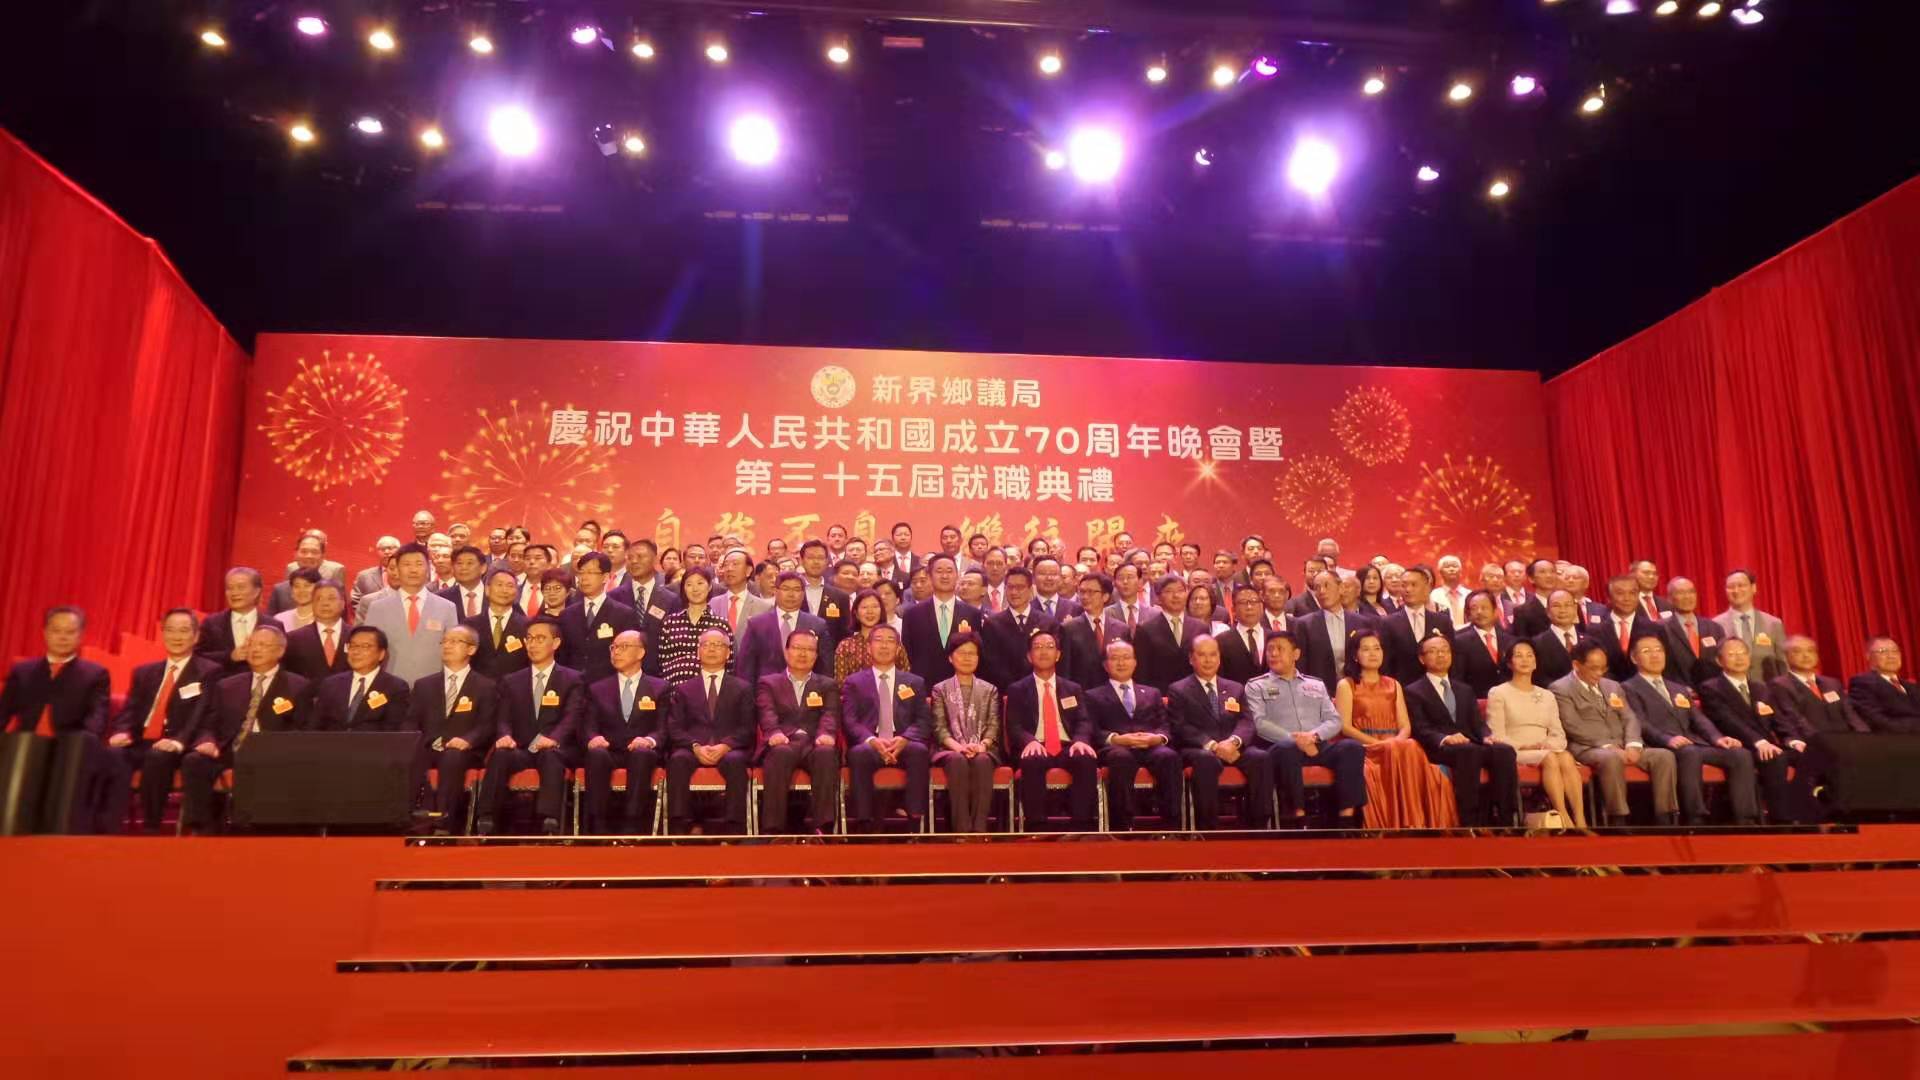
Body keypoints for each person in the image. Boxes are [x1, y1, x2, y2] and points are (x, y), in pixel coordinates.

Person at [182, 625, 311, 834]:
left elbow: (301, 730)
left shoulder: (298, 686)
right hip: (230, 751)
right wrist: (208, 741)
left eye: (263, 645)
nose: (255, 649)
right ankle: (201, 827)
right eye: (251, 644)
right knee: (194, 761)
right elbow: (209, 723)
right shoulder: (227, 685)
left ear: (280, 651)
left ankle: (252, 826)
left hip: (270, 753)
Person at [1621, 635, 1760, 825]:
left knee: (1740, 754)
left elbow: (1698, 719)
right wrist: (1666, 739)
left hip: (1694, 742)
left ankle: (1746, 818)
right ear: (1634, 658)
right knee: (1690, 753)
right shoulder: (1628, 687)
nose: (1655, 655)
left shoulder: (1678, 688)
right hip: (1661, 745)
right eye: (1647, 651)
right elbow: (1639, 722)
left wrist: (1718, 738)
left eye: (1659, 650)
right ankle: (1695, 817)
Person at [1, 606, 117, 833]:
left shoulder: (95, 673)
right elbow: (3, 712)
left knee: (79, 749)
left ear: (81, 635)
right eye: (57, 631)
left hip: (69, 746)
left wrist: (85, 740)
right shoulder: (23, 670)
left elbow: (98, 716)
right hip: (24, 745)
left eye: (70, 632)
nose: (63, 637)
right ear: (45, 633)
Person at [107, 609, 221, 832]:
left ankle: (151, 826)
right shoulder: (144, 672)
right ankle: (108, 825)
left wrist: (178, 742)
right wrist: (122, 731)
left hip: (178, 743)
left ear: (196, 636)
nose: (176, 636)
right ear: (163, 634)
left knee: (158, 755)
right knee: (113, 754)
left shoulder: (209, 671)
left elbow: (201, 713)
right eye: (170, 630)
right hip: (142, 740)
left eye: (184, 631)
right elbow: (130, 710)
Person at [1335, 632, 1457, 828]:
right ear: (1355, 655)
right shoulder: (1346, 685)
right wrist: (1380, 744)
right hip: (1366, 748)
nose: (1373, 653)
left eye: (1377, 648)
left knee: (1411, 746)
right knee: (1400, 750)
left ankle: (1416, 823)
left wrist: (1396, 741)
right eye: (1366, 649)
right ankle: (1400, 823)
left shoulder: (1393, 684)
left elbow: (1405, 725)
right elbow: (1345, 727)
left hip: (1397, 745)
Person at [476, 616, 583, 836]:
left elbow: (572, 716)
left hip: (557, 748)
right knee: (501, 754)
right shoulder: (511, 680)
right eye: (529, 639)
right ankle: (486, 818)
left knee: (550, 756)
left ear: (556, 643)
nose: (533, 644)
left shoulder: (572, 679)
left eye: (540, 638)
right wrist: (505, 735)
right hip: (522, 748)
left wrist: (554, 738)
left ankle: (549, 819)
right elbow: (503, 718)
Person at [1552, 640, 1677, 825]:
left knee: (1664, 756)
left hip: (1623, 745)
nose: (1599, 673)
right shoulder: (1561, 688)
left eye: (1603, 668)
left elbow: (1629, 717)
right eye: (1593, 668)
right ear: (1576, 665)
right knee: (1611, 758)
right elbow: (1571, 724)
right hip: (1588, 747)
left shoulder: (1612, 686)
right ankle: (1618, 817)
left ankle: (1664, 816)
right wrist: (1607, 746)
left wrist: (1633, 744)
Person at [1405, 635, 1519, 826]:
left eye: (1445, 650)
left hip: (1469, 744)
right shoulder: (1413, 691)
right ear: (1422, 658)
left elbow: (1477, 724)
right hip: (1439, 747)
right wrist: (1445, 738)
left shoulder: (1464, 689)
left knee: (1504, 751)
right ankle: (1469, 821)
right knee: (1469, 752)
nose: (1441, 655)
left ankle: (1506, 819)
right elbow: (1419, 727)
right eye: (1433, 651)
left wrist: (1486, 736)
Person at [1697, 637, 1806, 823]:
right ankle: (1781, 819)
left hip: (1768, 745)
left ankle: (1809, 815)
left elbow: (1778, 720)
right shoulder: (1711, 688)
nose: (1739, 658)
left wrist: (1792, 740)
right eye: (1732, 654)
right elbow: (1728, 721)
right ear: (1719, 661)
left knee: (1808, 754)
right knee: (1775, 758)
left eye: (1742, 653)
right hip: (1741, 746)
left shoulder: (1760, 688)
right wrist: (1759, 742)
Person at [1002, 629, 1098, 831]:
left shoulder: (1073, 688)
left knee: (1085, 758)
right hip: (1036, 745)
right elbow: (1014, 726)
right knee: (1032, 760)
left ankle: (1081, 826)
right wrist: (1030, 741)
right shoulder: (1017, 689)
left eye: (1049, 647)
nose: (1044, 651)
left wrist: (1080, 740)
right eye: (1037, 647)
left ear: (1058, 655)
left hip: (1066, 746)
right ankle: (1037, 827)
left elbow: (1084, 721)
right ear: (1029, 656)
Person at [1486, 640, 1588, 830]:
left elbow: (1558, 733)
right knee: (1550, 757)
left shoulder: (1547, 695)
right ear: (1509, 663)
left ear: (1535, 662)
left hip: (1545, 749)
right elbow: (1497, 735)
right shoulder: (1498, 693)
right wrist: (1526, 746)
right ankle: (1563, 817)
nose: (1525, 659)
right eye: (1518, 655)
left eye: (1529, 655)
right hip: (1516, 750)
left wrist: (1548, 744)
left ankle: (1581, 820)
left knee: (1566, 757)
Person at [575, 629, 669, 834]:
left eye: (624, 647)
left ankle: (632, 825)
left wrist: (649, 740)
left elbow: (662, 728)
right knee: (596, 754)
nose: (616, 652)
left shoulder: (660, 688)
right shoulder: (597, 689)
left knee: (643, 754)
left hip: (641, 750)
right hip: (609, 749)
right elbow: (588, 725)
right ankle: (598, 825)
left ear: (641, 652)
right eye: (614, 647)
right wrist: (593, 738)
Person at [839, 625, 931, 832]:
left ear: (898, 649)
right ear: (868, 647)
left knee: (919, 751)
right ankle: (864, 823)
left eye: (890, 641)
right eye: (879, 640)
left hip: (903, 742)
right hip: (870, 742)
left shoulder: (914, 682)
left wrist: (905, 738)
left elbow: (924, 720)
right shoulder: (854, 682)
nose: (884, 645)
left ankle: (915, 822)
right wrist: (872, 740)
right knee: (859, 754)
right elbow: (849, 720)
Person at [408, 625, 499, 834]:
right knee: (411, 754)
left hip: (465, 750)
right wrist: (419, 741)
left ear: (471, 649)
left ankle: (444, 823)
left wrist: (468, 740)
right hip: (429, 747)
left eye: (455, 641)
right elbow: (410, 722)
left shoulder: (486, 686)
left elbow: (487, 724)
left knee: (452, 756)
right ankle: (411, 819)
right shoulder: (424, 685)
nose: (447, 646)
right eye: (445, 641)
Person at [1081, 641, 1181, 830]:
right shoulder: (1092, 695)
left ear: (1135, 662)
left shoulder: (1152, 693)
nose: (1121, 663)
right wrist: (1116, 739)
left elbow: (1165, 725)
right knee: (1121, 758)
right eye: (1115, 658)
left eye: (1126, 658)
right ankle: (1122, 825)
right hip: (1115, 747)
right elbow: (1091, 728)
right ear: (1105, 665)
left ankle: (1171, 826)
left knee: (1169, 757)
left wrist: (1158, 738)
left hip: (1150, 745)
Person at [751, 629, 841, 835]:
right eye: (798, 648)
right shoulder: (769, 682)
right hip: (784, 741)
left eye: (809, 649)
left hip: (814, 742)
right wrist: (773, 732)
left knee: (826, 754)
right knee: (780, 753)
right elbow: (766, 712)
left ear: (816, 655)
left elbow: (830, 713)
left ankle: (823, 828)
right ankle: (773, 830)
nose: (803, 654)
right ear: (786, 652)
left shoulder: (827, 684)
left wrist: (826, 733)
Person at [930, 633, 1001, 833]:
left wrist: (982, 745)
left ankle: (979, 828)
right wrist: (959, 747)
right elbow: (939, 728)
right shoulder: (940, 689)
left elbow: (993, 724)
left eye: (972, 653)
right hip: (949, 749)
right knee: (957, 760)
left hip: (983, 748)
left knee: (983, 760)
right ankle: (961, 829)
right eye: (961, 653)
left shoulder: (990, 690)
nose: (967, 658)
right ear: (950, 658)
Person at [363, 543, 459, 684]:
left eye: (419, 564)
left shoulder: (447, 607)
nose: (413, 570)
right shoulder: (377, 608)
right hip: (388, 686)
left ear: (428, 568)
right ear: (397, 569)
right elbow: (369, 651)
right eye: (406, 564)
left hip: (433, 687)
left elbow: (453, 652)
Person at [735, 571, 832, 688]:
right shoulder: (756, 624)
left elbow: (825, 668)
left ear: (803, 594)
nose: (791, 594)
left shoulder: (817, 625)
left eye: (796, 590)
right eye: (786, 589)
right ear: (776, 591)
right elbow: (745, 667)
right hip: (765, 692)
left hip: (806, 692)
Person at [900, 554, 984, 687]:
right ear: (929, 576)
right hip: (924, 687)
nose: (945, 576)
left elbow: (978, 654)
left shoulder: (972, 614)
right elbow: (908, 654)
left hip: (961, 686)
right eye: (939, 571)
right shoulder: (912, 614)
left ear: (957, 576)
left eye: (949, 571)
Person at [557, 552, 641, 685]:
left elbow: (629, 655)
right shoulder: (567, 615)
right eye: (581, 573)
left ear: (605, 577)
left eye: (590, 572)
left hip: (608, 686)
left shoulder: (623, 614)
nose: (584, 578)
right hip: (573, 686)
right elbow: (562, 656)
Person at [311, 626, 413, 732]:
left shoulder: (395, 687)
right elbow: (315, 725)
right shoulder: (331, 684)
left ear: (381, 654)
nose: (356, 652)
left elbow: (393, 729)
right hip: (332, 742)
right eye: (352, 646)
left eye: (365, 646)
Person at [1770, 635, 1869, 735]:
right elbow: (1795, 719)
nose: (1806, 655)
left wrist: (1865, 735)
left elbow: (1850, 714)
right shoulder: (1781, 685)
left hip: (1847, 737)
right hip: (1813, 739)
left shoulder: (1832, 683)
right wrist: (1821, 740)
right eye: (1797, 651)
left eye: (1810, 651)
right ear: (1786, 656)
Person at [655, 567, 734, 688]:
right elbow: (662, 662)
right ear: (683, 589)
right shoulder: (669, 622)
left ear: (709, 587)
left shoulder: (721, 625)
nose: (695, 589)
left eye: (700, 583)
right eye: (689, 584)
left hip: (709, 691)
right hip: (674, 690)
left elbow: (729, 664)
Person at [1129, 575, 1208, 693]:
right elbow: (1141, 673)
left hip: (1194, 695)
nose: (1176, 595)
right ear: (1158, 598)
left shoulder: (1200, 628)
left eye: (1180, 591)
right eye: (1169, 591)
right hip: (1161, 695)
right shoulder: (1145, 630)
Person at [1379, 564, 1453, 686]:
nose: (1408, 589)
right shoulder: (1387, 623)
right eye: (1404, 585)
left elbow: (1453, 657)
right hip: (1402, 687)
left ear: (1426, 588)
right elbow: (1385, 662)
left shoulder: (1442, 621)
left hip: (1438, 687)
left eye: (1414, 585)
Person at [979, 566, 1050, 690]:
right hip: (1004, 691)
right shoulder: (992, 624)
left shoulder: (1047, 623)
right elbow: (990, 664)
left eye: (1020, 587)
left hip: (1041, 689)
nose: (1014, 592)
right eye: (1010, 587)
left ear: (1030, 590)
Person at [1714, 569, 1789, 682]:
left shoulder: (1773, 623)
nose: (1736, 590)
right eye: (1731, 587)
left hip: (1768, 688)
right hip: (1731, 690)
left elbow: (1783, 662)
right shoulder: (1716, 624)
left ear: (1753, 588)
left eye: (1741, 585)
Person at [1292, 571, 1360, 691]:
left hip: (1357, 690)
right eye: (1317, 588)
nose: (1322, 591)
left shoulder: (1361, 622)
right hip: (1319, 692)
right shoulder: (1304, 624)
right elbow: (1301, 665)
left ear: (1341, 588)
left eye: (1326, 585)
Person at [1589, 574, 1664, 682]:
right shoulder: (1595, 631)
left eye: (1632, 593)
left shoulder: (1654, 629)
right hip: (1608, 688)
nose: (1627, 598)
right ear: (1609, 597)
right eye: (1620, 593)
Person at [196, 566, 266, 678]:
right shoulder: (212, 623)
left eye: (241, 587)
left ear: (256, 592)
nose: (234, 593)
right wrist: (230, 656)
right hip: (220, 683)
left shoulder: (272, 625)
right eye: (230, 588)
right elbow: (197, 657)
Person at [463, 568, 532, 680]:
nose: (504, 590)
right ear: (487, 589)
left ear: (516, 592)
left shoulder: (528, 625)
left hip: (516, 687)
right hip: (478, 687)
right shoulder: (469, 625)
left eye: (510, 586)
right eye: (499, 585)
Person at [834, 588, 912, 684]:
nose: (870, 611)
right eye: (864, 607)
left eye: (875, 607)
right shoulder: (845, 646)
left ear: (881, 611)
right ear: (856, 613)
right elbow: (841, 683)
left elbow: (906, 677)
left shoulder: (893, 642)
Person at [1449, 589, 1517, 699]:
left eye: (1484, 607)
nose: (1479, 612)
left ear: (1495, 611)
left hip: (1510, 700)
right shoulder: (1459, 641)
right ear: (1468, 614)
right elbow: (1457, 680)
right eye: (1474, 608)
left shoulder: (1510, 640)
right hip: (1476, 702)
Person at [1659, 577, 1726, 687]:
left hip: (1712, 691)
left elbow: (1722, 662)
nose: (1687, 597)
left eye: (1691, 592)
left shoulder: (1714, 628)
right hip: (1677, 692)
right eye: (1680, 593)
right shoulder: (1660, 629)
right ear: (1670, 598)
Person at [283, 580, 351, 683]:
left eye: (331, 598)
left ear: (343, 603)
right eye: (319, 599)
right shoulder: (293, 639)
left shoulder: (356, 636)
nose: (325, 604)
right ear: (312, 604)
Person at [1847, 637, 1920, 733]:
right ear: (1868, 656)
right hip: (1896, 738)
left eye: (1895, 651)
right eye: (1883, 651)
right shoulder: (1862, 683)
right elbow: (1878, 721)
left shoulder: (1912, 686)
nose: (1891, 656)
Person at [1528, 589, 1588, 687]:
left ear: (1575, 608)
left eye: (1567, 605)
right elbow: (1538, 678)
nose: (1562, 610)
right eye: (1556, 606)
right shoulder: (1536, 644)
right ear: (1547, 611)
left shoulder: (1589, 640)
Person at [710, 548, 773, 634]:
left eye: (735, 564)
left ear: (748, 571)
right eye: (726, 565)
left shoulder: (764, 608)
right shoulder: (712, 604)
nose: (729, 569)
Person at [438, 546, 491, 621]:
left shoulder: (496, 595)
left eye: (470, 563)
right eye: (459, 563)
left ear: (483, 568)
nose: (464, 567)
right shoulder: (441, 598)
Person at [351, 535, 401, 614]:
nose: (386, 552)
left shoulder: (408, 575)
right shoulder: (364, 576)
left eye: (390, 548)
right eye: (382, 549)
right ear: (377, 552)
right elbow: (355, 601)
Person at [1510, 559, 1555, 639]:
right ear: (1531, 579)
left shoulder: (1570, 605)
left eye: (1552, 571)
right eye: (1542, 572)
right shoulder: (1522, 611)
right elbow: (1523, 641)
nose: (1549, 575)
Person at [1432, 555, 1471, 624]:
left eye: (1455, 566)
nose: (1451, 569)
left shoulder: (1469, 594)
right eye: (1447, 567)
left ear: (1460, 571)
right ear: (1440, 572)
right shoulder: (1433, 595)